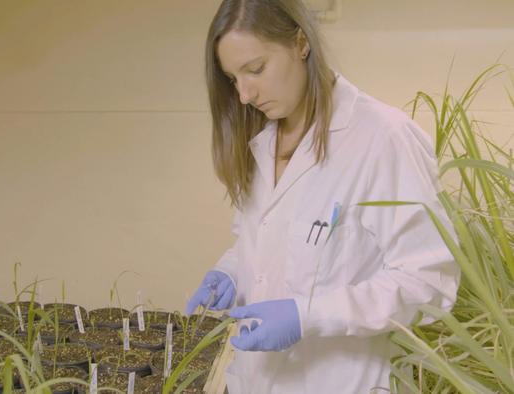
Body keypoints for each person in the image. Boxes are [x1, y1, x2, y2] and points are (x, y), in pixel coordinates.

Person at [184, 1, 461, 393]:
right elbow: (267, 242)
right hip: (252, 381)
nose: (244, 95)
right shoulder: (261, 142)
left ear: (300, 43)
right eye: (232, 79)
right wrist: (231, 270)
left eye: (256, 69)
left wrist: (308, 316)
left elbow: (428, 282)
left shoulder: (381, 138)